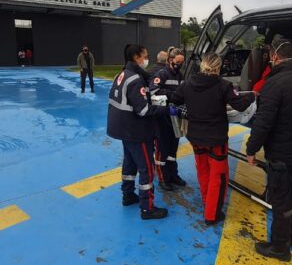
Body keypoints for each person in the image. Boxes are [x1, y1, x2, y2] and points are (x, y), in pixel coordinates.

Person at [245, 36, 292, 261]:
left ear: (275, 57)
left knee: (282, 202)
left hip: (281, 155)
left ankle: (279, 247)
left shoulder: (274, 85)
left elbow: (263, 123)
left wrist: (251, 149)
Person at [170, 52, 254, 225]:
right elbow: (239, 105)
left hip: (195, 137)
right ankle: (212, 214)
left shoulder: (188, 83)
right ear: (218, 67)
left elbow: (175, 99)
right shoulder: (223, 85)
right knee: (219, 176)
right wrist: (253, 95)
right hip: (216, 139)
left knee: (203, 170)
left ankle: (207, 201)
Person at [107, 44, 169, 220]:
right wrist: (165, 109)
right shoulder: (135, 80)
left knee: (129, 164)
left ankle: (128, 196)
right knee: (147, 169)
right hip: (137, 131)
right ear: (136, 58)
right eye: (145, 56)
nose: (147, 60)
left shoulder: (122, 75)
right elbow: (143, 110)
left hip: (123, 129)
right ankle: (147, 208)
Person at [149, 47, 188, 191]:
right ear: (171, 60)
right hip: (162, 118)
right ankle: (162, 178)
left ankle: (173, 175)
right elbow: (153, 92)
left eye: (182, 62)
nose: (180, 65)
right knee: (162, 149)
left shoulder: (181, 75)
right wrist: (172, 95)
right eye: (178, 62)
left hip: (175, 117)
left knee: (173, 148)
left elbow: (183, 92)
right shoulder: (161, 74)